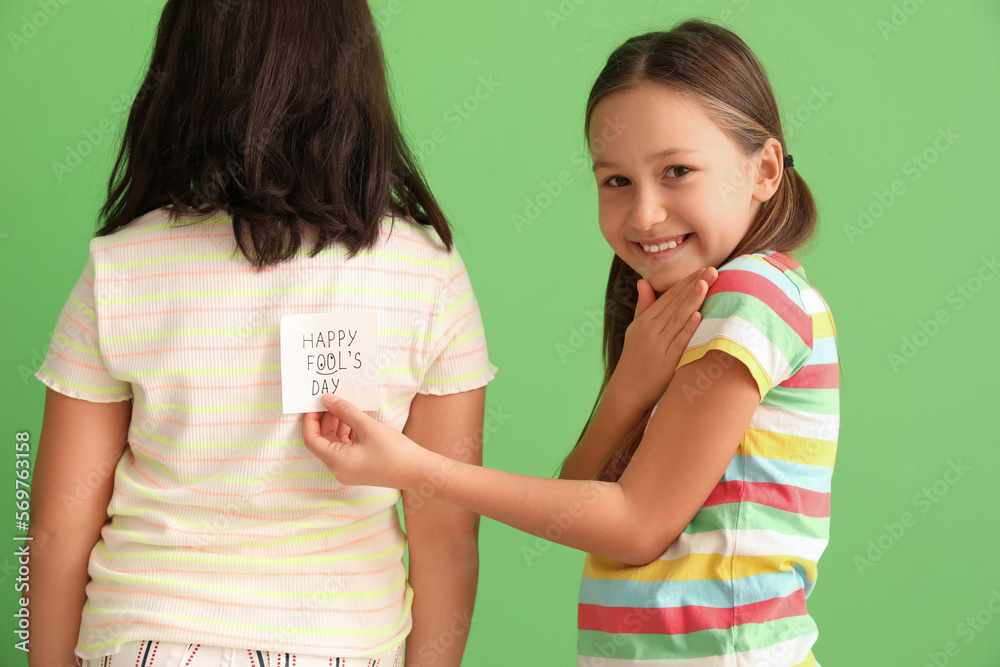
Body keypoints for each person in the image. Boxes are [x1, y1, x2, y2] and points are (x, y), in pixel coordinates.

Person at [304, 19, 839, 666]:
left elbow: (636, 523)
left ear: (765, 169)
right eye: (616, 180)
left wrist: (415, 467)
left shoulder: (754, 295)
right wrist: (628, 388)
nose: (644, 213)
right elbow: (581, 492)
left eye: (677, 171)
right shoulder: (680, 313)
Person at [26, 1, 500, 665]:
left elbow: (54, 530)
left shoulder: (122, 266)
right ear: (356, 74)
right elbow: (446, 535)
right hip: (343, 643)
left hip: (147, 636)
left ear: (183, 73)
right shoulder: (426, 272)